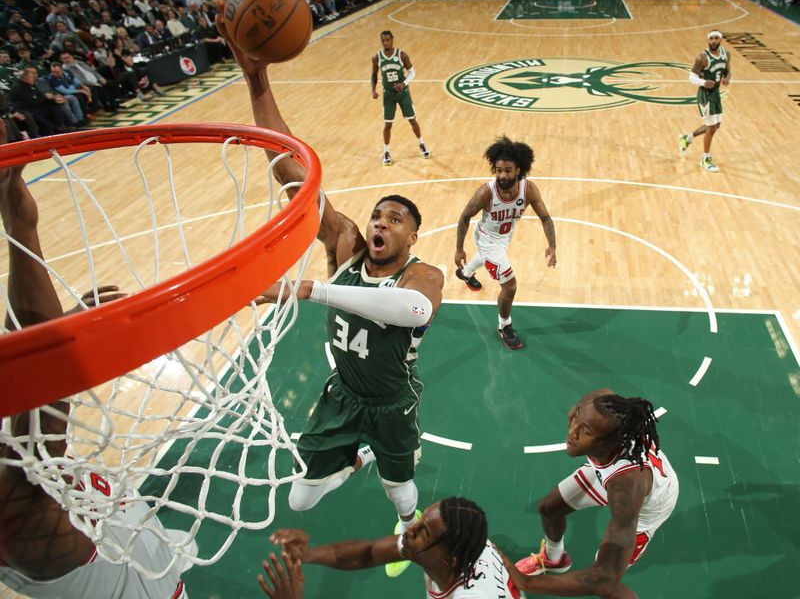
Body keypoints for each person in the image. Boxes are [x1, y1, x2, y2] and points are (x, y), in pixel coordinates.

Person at [215, 14, 444, 579]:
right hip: (342, 394)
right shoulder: (344, 243)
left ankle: (404, 526)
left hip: (394, 400)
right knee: (299, 502)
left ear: (412, 235)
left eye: (395, 218)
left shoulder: (424, 275)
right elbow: (289, 168)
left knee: (401, 489)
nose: (380, 223)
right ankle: (347, 459)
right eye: (377, 215)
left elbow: (411, 312)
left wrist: (308, 288)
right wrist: (256, 79)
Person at [0, 122, 195, 598]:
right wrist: (58, 337)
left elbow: (28, 377)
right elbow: (37, 401)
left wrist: (22, 226)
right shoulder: (23, 524)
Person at [508, 390, 679, 598]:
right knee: (549, 508)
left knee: (606, 580)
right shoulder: (601, 412)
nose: (573, 432)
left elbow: (603, 580)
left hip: (650, 504)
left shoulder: (625, 488)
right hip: (607, 470)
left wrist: (526, 583)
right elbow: (600, 396)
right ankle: (554, 558)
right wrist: (580, 418)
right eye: (577, 420)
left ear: (610, 441)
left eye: (585, 430)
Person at [260, 497, 520, 599]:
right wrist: (308, 554)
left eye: (422, 532)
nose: (409, 529)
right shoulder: (462, 548)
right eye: (419, 522)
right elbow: (369, 552)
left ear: (447, 561)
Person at [454, 136, 556, 350]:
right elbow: (464, 217)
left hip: (503, 238)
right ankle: (504, 325)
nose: (502, 175)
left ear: (518, 170)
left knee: (489, 260)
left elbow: (545, 218)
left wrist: (552, 246)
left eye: (507, 170)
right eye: (498, 170)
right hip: (486, 239)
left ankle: (466, 273)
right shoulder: (486, 192)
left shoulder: (528, 190)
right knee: (509, 286)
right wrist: (459, 249)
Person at [370, 30, 430, 166]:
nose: (385, 42)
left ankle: (421, 143)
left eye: (387, 40)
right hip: (389, 94)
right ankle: (386, 151)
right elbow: (374, 75)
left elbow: (412, 72)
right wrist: (373, 90)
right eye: (383, 40)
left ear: (392, 40)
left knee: (412, 120)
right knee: (388, 124)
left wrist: (404, 84)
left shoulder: (401, 55)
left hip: (403, 93)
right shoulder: (377, 57)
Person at [678, 30, 731, 173]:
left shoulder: (726, 54)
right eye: (711, 38)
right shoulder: (702, 57)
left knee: (716, 125)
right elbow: (691, 77)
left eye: (717, 38)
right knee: (711, 127)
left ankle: (687, 138)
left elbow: (727, 71)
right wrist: (702, 82)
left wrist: (727, 79)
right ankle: (705, 158)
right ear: (708, 40)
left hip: (716, 94)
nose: (714, 41)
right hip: (705, 95)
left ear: (721, 40)